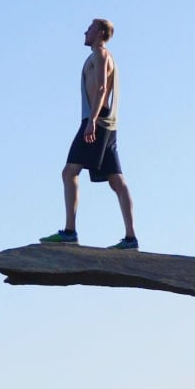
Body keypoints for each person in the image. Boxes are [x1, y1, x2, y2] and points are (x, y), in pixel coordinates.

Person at [39, 16, 138, 249]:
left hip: (97, 120)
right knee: (116, 180)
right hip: (106, 123)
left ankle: (70, 231)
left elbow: (102, 87)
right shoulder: (93, 57)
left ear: (101, 33)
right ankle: (131, 238)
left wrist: (91, 121)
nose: (86, 31)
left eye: (91, 28)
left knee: (69, 171)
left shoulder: (102, 55)